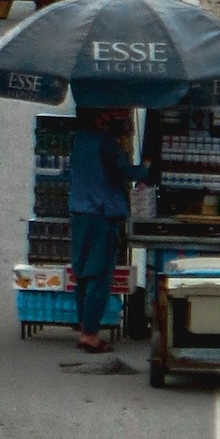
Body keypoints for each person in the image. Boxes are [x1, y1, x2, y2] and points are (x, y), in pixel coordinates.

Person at [68, 110, 138, 354]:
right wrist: (149, 169)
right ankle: (89, 334)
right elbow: (126, 171)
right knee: (98, 275)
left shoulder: (78, 140)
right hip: (100, 214)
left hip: (80, 212)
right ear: (98, 119)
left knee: (83, 273)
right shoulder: (104, 143)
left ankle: (83, 325)